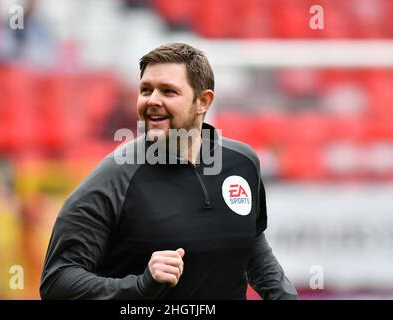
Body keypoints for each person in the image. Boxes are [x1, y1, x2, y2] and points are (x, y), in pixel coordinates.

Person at [40, 43, 298, 300]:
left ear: (203, 101)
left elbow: (251, 245)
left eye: (168, 91)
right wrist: (140, 287)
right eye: (146, 90)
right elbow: (58, 282)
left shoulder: (242, 163)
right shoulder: (115, 175)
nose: (152, 100)